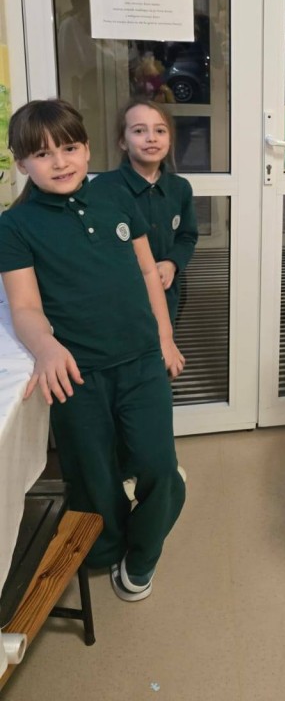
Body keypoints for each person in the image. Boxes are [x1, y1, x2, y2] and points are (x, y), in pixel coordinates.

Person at [0, 99, 186, 603]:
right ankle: (106, 549)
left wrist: (165, 337)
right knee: (92, 475)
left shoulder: (115, 196)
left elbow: (147, 271)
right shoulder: (14, 226)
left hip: (141, 361)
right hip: (77, 374)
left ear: (86, 148)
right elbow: (24, 307)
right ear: (21, 163)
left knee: (158, 468)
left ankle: (141, 556)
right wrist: (45, 348)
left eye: (69, 148)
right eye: (42, 154)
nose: (59, 162)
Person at [98, 99, 198, 326]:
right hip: (119, 297)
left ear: (170, 139)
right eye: (139, 131)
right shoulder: (104, 188)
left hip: (166, 292)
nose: (151, 138)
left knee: (163, 342)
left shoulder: (180, 188)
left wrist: (172, 263)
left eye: (160, 131)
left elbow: (187, 237)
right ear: (123, 141)